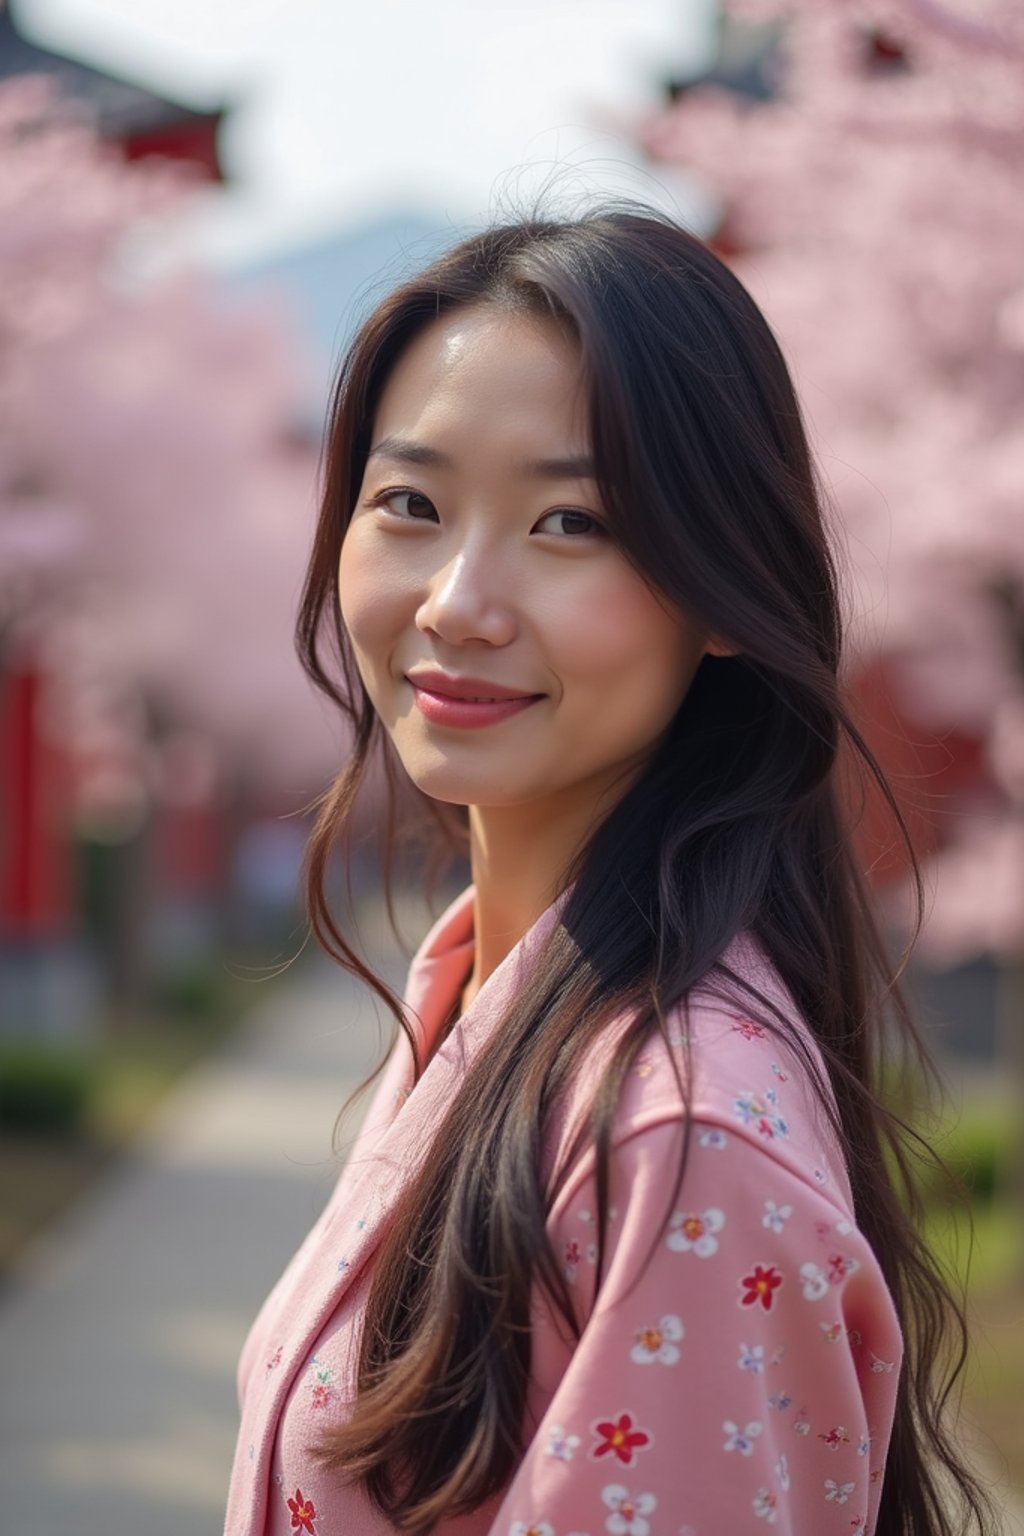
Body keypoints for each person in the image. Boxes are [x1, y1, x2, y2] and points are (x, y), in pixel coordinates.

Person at [223, 206, 995, 1536]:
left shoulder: (683, 1132)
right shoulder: (497, 998)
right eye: (408, 503)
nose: (458, 600)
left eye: (570, 521)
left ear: (722, 593)